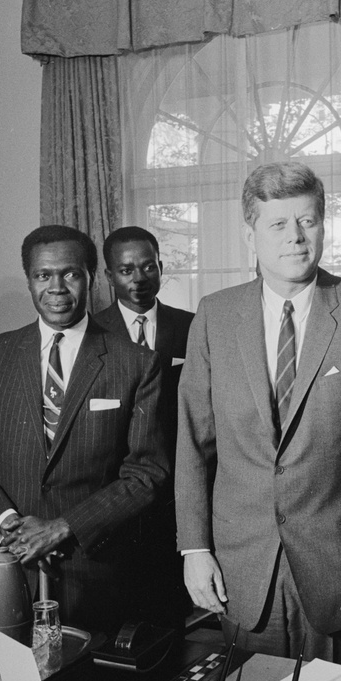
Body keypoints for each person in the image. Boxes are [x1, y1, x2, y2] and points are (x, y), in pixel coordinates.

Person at [175, 162, 341, 664]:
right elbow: (193, 443)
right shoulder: (214, 315)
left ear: (324, 226)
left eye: (308, 221)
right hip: (242, 567)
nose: (295, 237)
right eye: (278, 224)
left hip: (340, 567)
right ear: (251, 234)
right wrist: (194, 549)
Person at [0, 224, 169, 633]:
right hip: (8, 570)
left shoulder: (136, 362)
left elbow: (146, 474)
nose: (56, 287)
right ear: (30, 281)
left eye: (70, 274)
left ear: (91, 277)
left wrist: (62, 528)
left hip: (93, 573)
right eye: (42, 275)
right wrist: (11, 529)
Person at [95, 226, 195, 631]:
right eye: (126, 270)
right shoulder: (91, 332)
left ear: (160, 267)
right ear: (108, 276)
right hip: (114, 492)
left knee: (173, 613)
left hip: (177, 491)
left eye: (148, 267)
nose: (138, 279)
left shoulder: (192, 326)